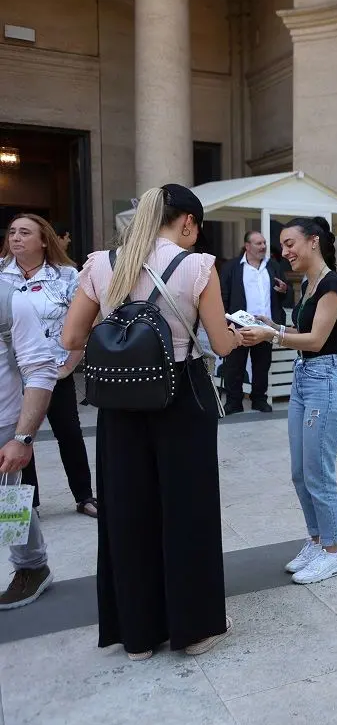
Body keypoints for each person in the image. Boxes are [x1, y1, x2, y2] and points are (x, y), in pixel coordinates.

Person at [62, 184, 244, 658]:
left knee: (126, 512)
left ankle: (137, 634)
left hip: (120, 405)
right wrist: (246, 335)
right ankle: (193, 628)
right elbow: (221, 345)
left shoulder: (102, 263)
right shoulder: (197, 266)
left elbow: (71, 336)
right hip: (182, 397)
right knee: (187, 512)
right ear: (187, 222)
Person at [238, 217, 337, 585]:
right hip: (307, 379)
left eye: (290, 244)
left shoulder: (332, 283)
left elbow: (318, 340)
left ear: (313, 242)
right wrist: (270, 325)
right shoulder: (308, 283)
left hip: (326, 380)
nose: (284, 252)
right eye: (282, 245)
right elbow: (302, 332)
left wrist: (270, 337)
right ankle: (318, 541)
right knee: (300, 473)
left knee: (319, 473)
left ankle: (333, 553)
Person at [0, 215, 95, 518]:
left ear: (43, 240)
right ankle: (29, 504)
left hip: (53, 371)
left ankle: (84, 496)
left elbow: (84, 324)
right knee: (19, 436)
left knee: (68, 433)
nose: (16, 238)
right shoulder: (1, 276)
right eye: (12, 232)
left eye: (24, 232)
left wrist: (69, 366)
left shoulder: (67, 276)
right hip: (12, 375)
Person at [0, 281, 60, 609]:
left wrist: (22, 438)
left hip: (3, 423)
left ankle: (30, 567)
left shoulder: (10, 300)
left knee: (8, 502)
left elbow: (40, 368)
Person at [219, 231, 292, 413]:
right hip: (238, 325)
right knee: (234, 365)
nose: (263, 247)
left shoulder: (273, 266)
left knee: (262, 365)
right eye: (258, 243)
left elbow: (286, 294)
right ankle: (233, 402)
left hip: (265, 326)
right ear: (247, 246)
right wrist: (224, 321)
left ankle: (259, 399)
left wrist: (284, 291)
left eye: (264, 243)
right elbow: (222, 295)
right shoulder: (232, 267)